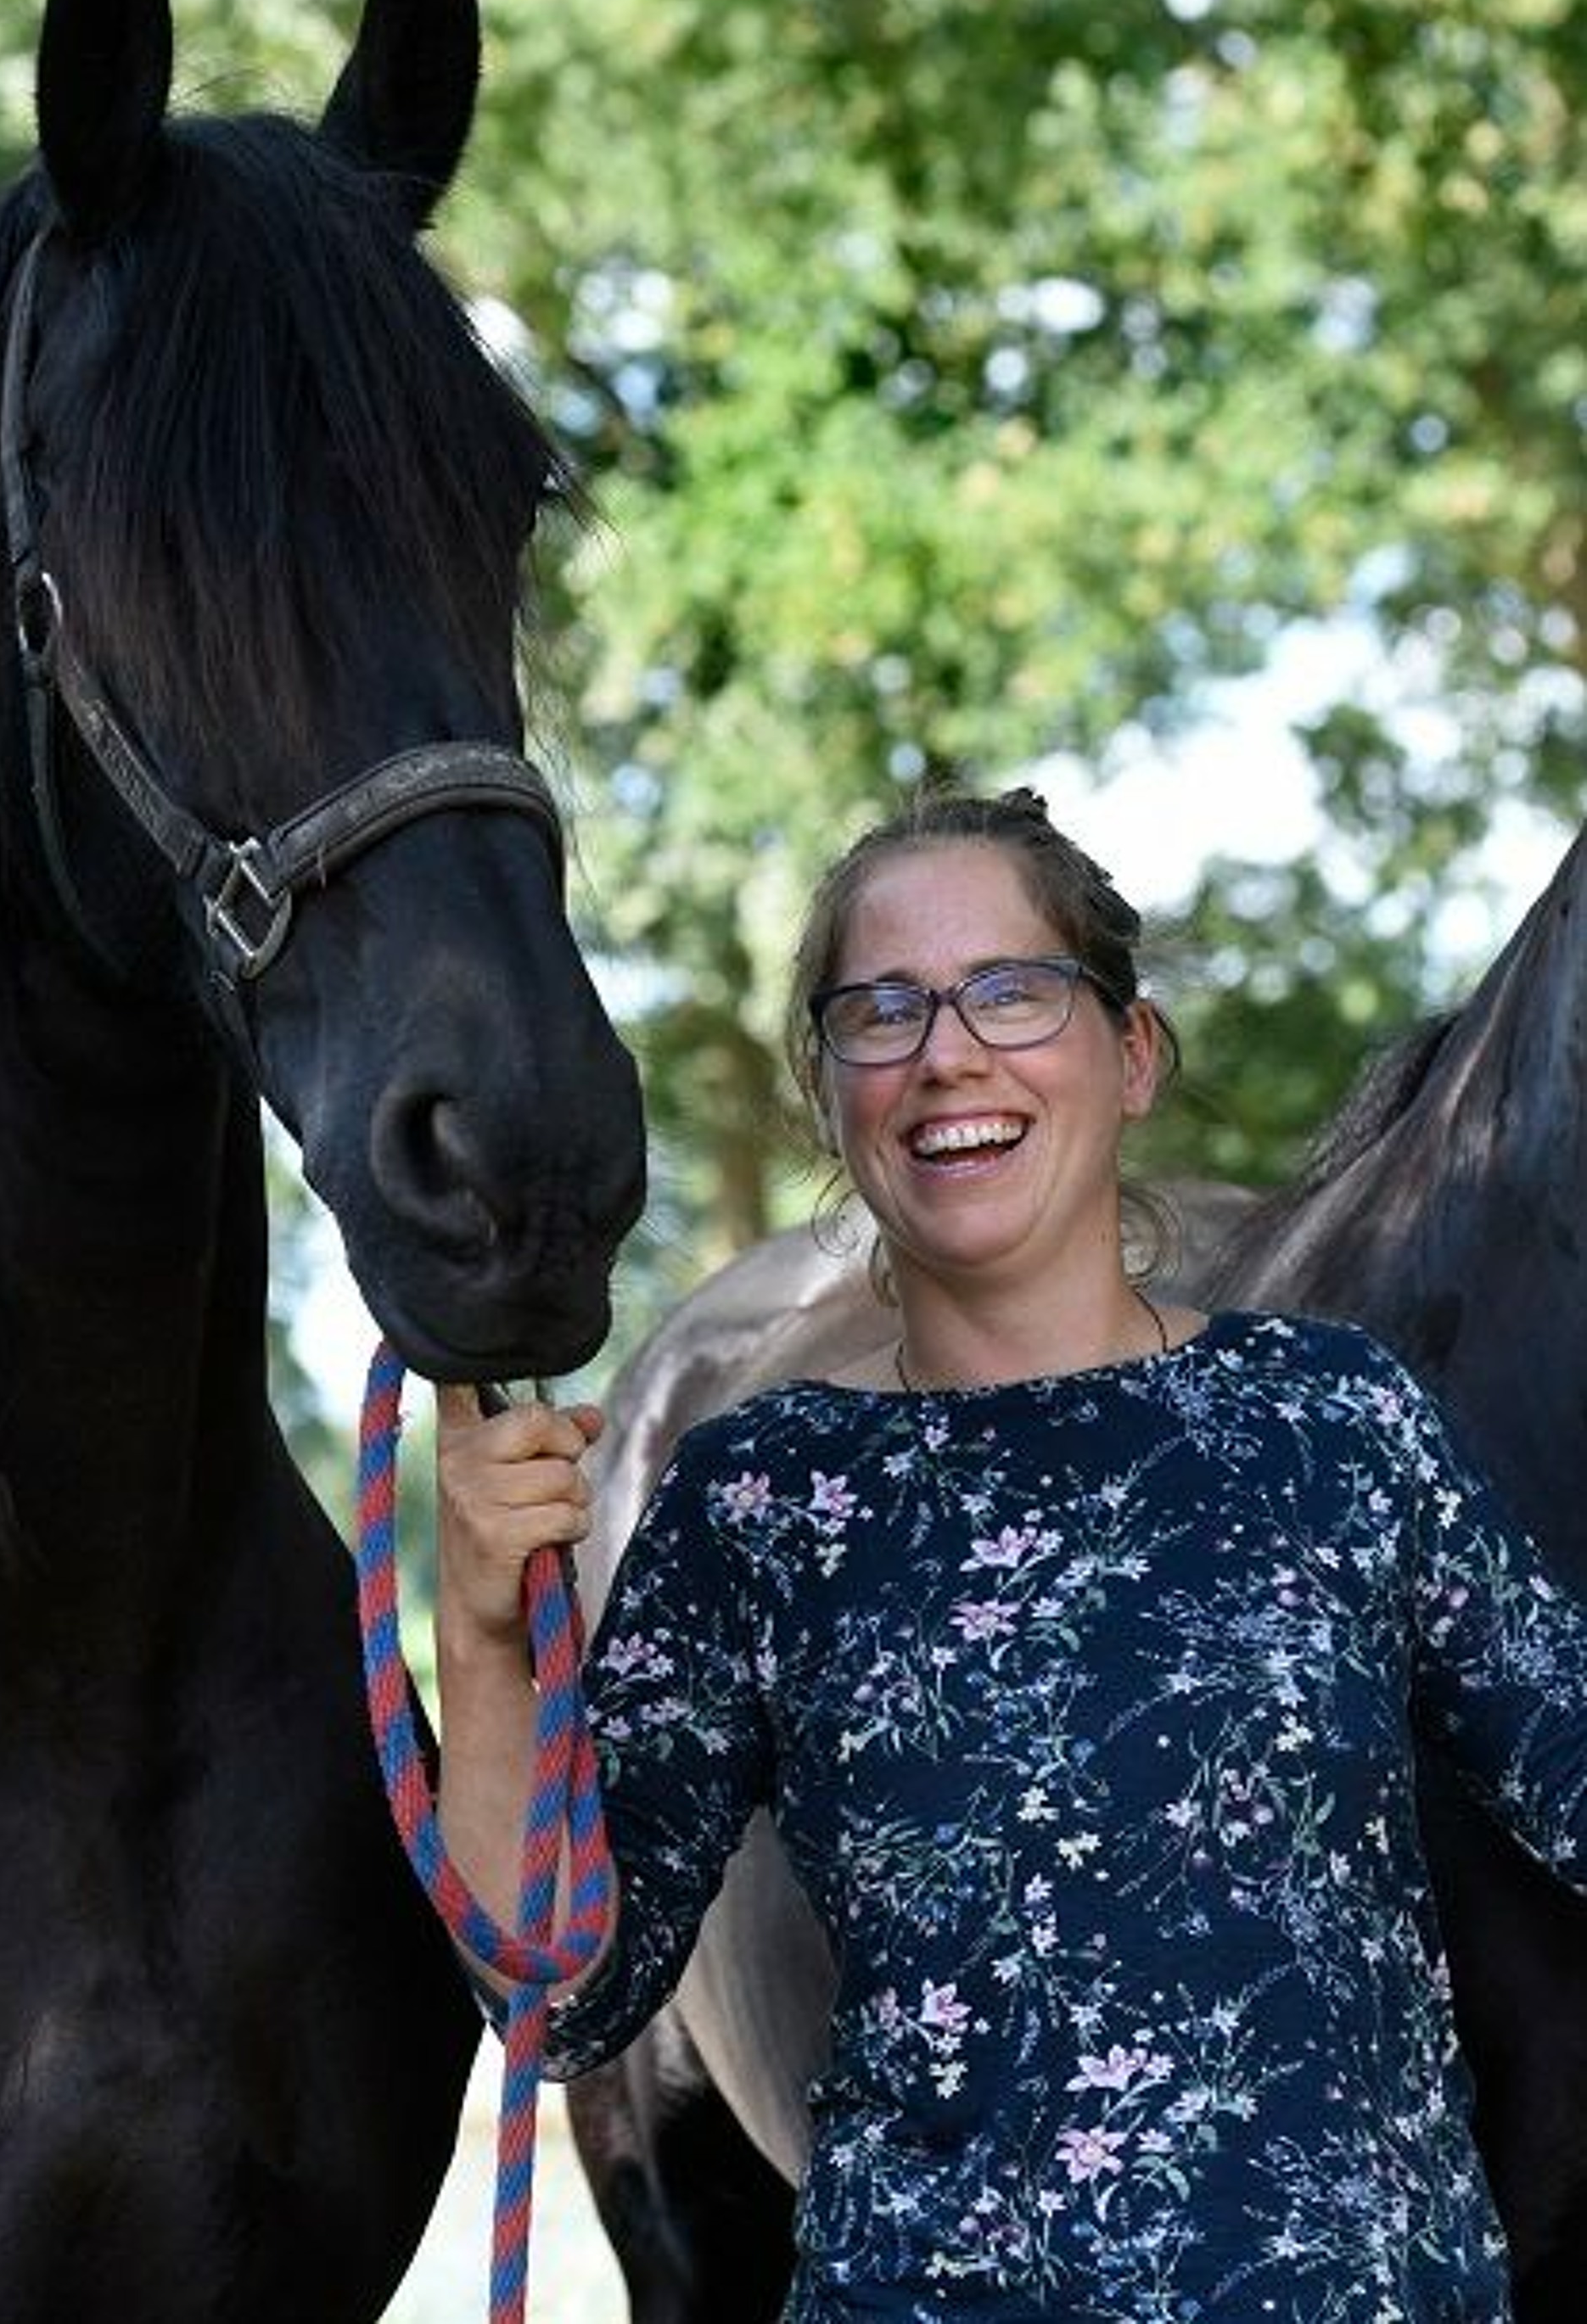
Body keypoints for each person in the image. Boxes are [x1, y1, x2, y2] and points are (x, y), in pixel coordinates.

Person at [435, 783, 1587, 2322]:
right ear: (831, 1095)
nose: (947, 1051)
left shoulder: (1339, 1422)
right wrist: (484, 1636)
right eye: (882, 1010)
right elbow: (561, 1987)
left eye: (1012, 991)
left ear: (1133, 1055)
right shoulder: (759, 1501)